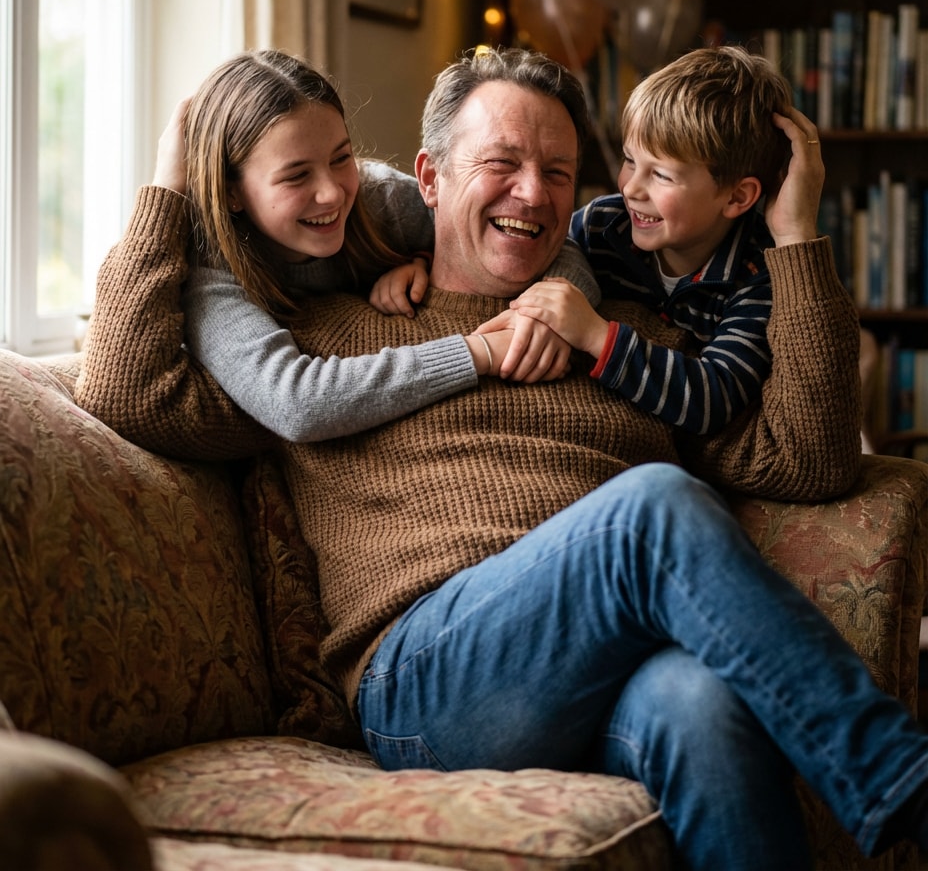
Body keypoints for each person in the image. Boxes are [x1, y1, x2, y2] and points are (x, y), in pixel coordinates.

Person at [75, 46, 928, 871]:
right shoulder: (323, 343)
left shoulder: (622, 345)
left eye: (559, 172)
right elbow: (127, 393)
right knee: (652, 507)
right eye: (503, 163)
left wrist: (796, 239)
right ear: (431, 178)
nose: (533, 193)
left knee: (700, 704)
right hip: (427, 679)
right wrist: (166, 194)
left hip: (599, 675)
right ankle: (902, 779)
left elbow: (812, 466)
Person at [172, 49, 599, 442]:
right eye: (296, 176)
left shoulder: (378, 202)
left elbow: (552, 240)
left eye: (341, 159)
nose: (333, 194)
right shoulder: (211, 268)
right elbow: (297, 404)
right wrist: (480, 350)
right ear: (231, 192)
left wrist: (552, 312)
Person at [502, 45, 792, 436]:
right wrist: (412, 259)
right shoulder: (603, 225)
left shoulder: (758, 276)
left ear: (737, 197)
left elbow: (713, 400)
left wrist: (595, 334)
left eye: (662, 175)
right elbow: (539, 258)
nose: (630, 188)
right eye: (630, 161)